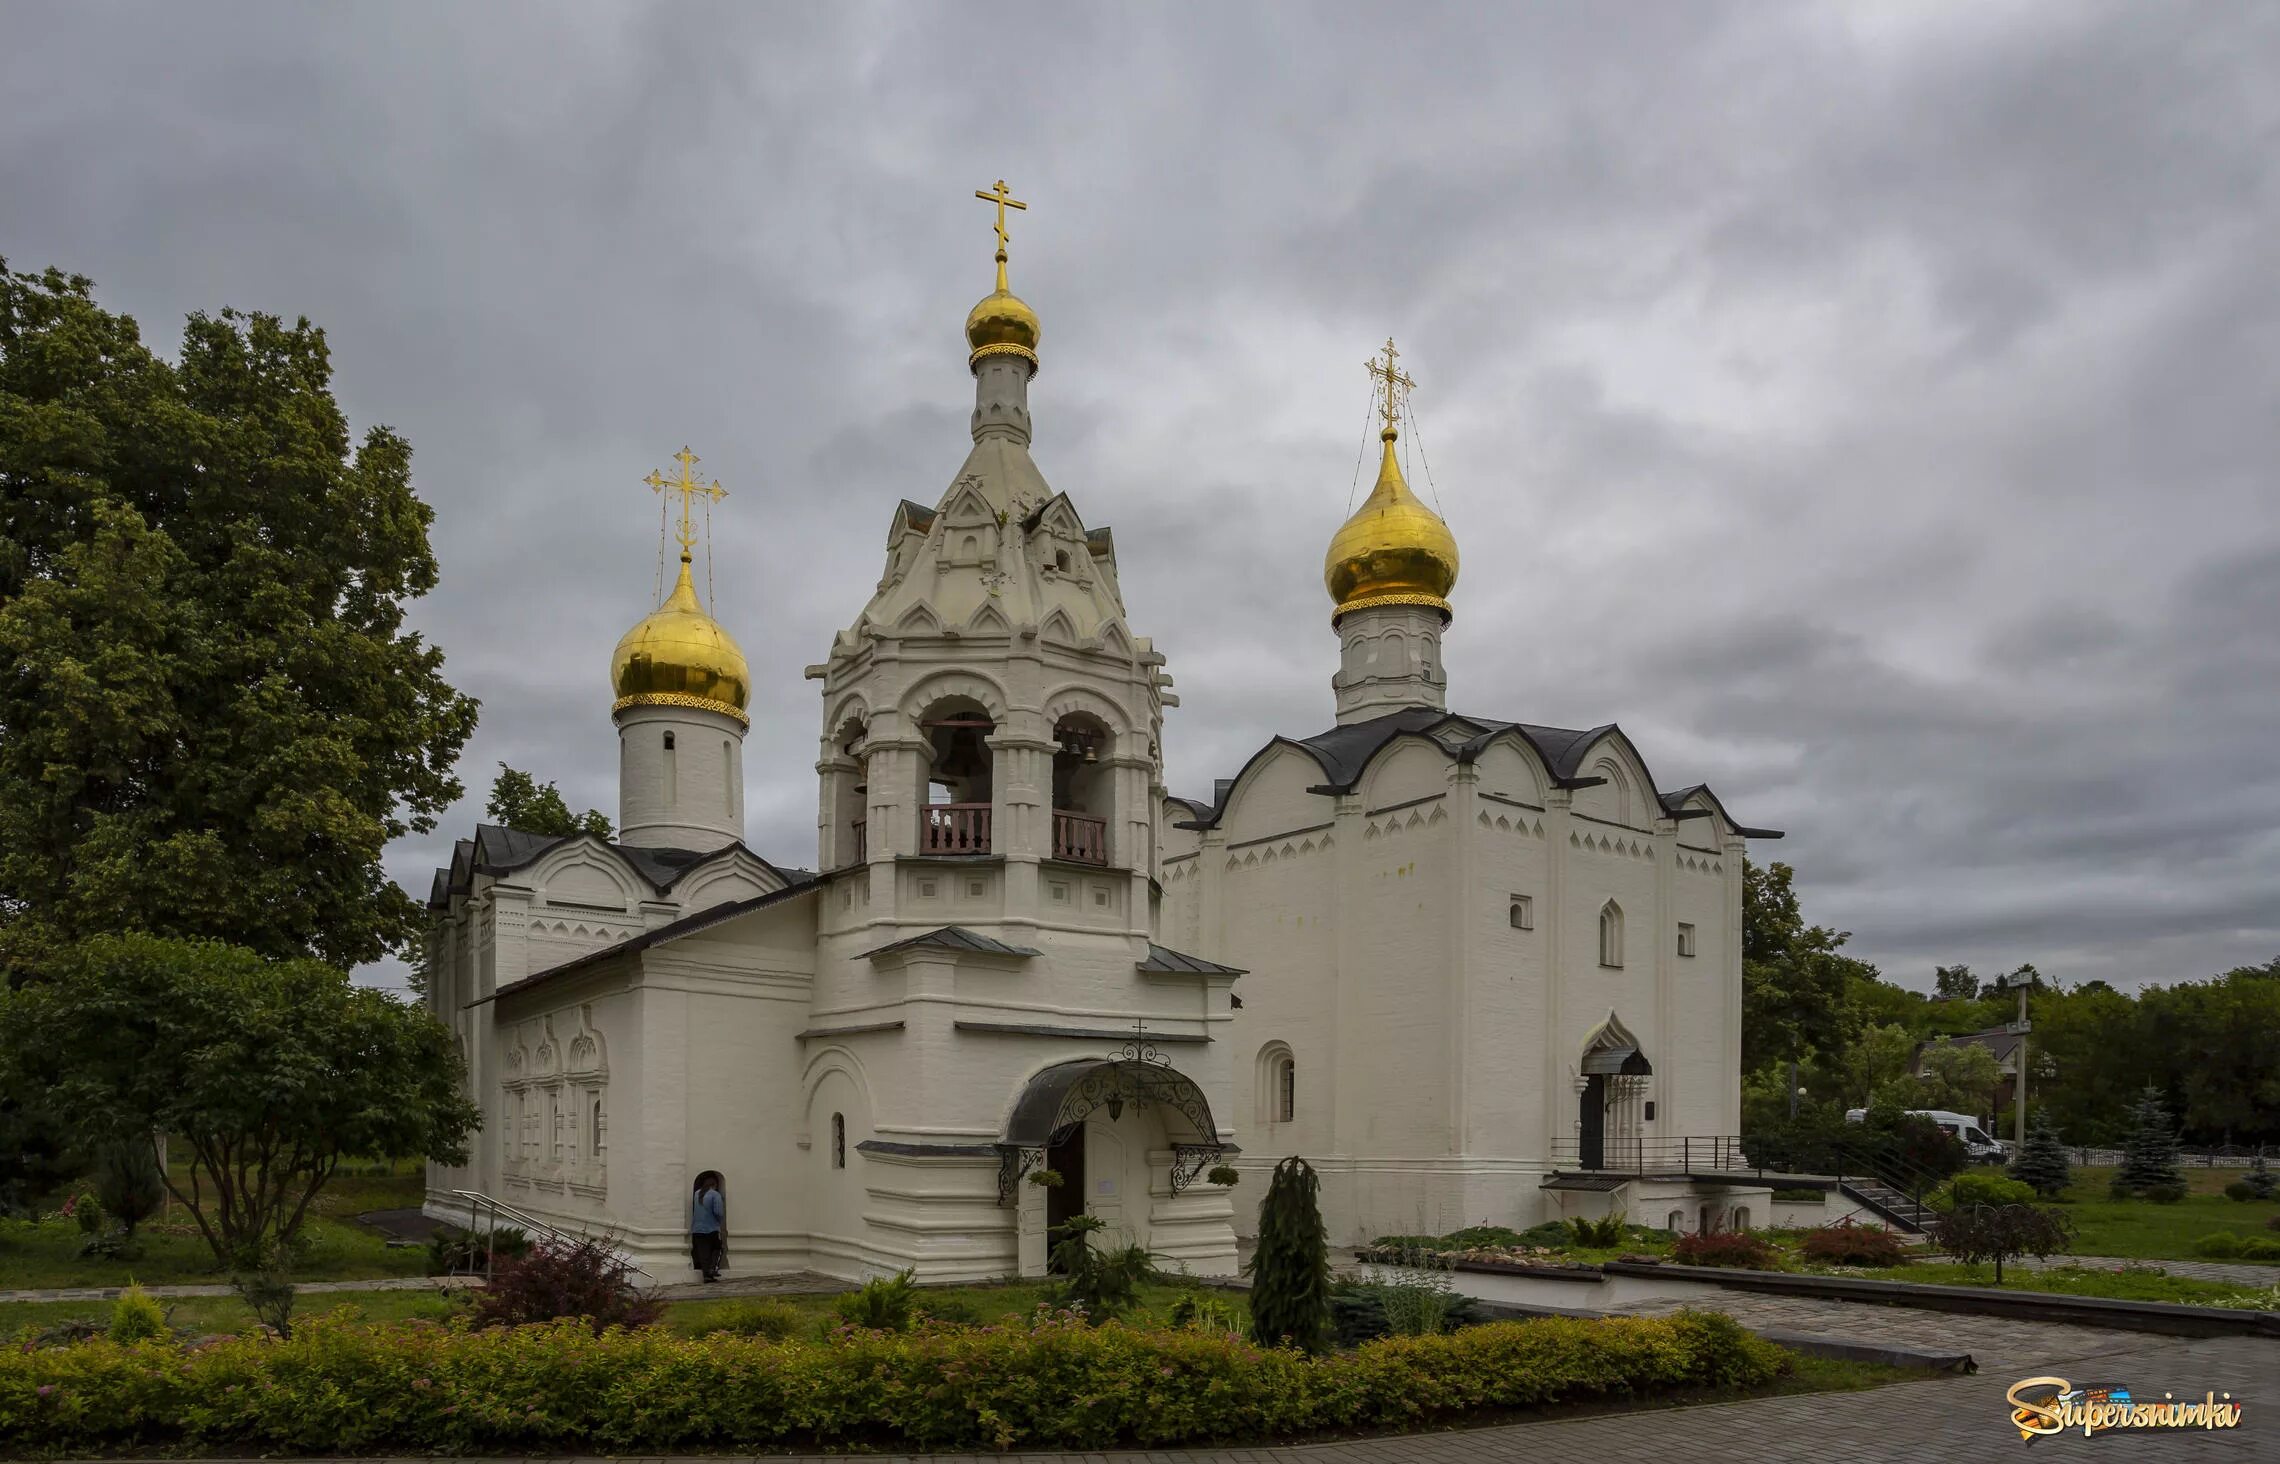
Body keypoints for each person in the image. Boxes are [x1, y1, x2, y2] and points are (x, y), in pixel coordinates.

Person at [690, 1170, 726, 1282]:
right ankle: (712, 1269)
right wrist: (719, 1222)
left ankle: (706, 1275)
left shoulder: (697, 1194)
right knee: (718, 1248)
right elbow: (718, 1212)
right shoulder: (715, 1195)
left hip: (697, 1229)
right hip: (711, 1228)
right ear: (714, 1185)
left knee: (703, 1253)